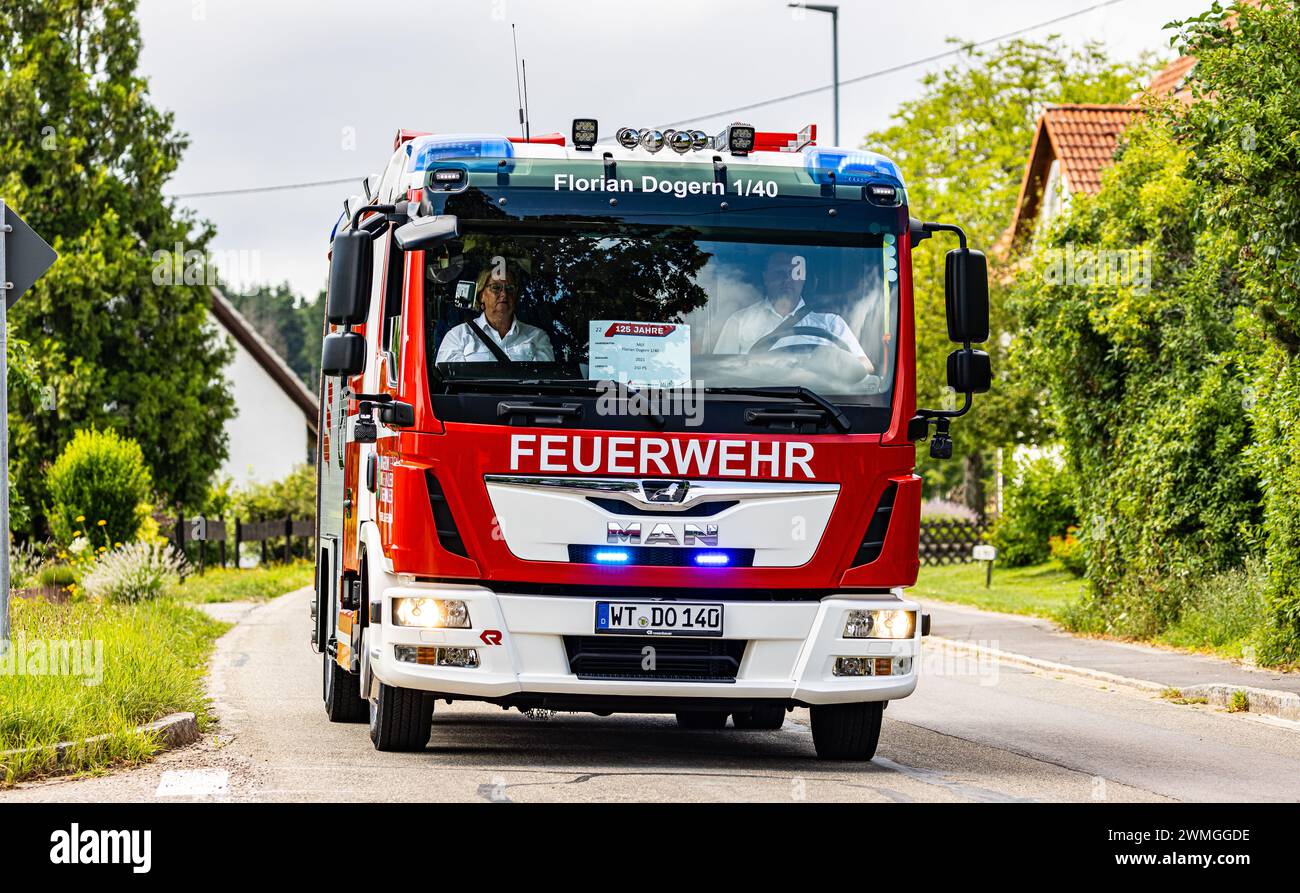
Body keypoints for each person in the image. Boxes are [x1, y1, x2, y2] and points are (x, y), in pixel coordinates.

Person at [712, 250, 875, 374]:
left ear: (804, 279)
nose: (787, 279)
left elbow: (866, 367)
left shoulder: (832, 324)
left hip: (822, 404)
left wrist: (828, 364)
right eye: (779, 273)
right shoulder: (739, 321)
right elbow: (719, 370)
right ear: (766, 277)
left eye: (795, 273)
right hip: (755, 403)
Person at [436, 265, 555, 363]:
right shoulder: (458, 337)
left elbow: (542, 384)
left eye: (510, 288)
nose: (504, 294)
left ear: (516, 295)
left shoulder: (537, 337)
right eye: (495, 287)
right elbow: (454, 385)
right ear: (481, 295)